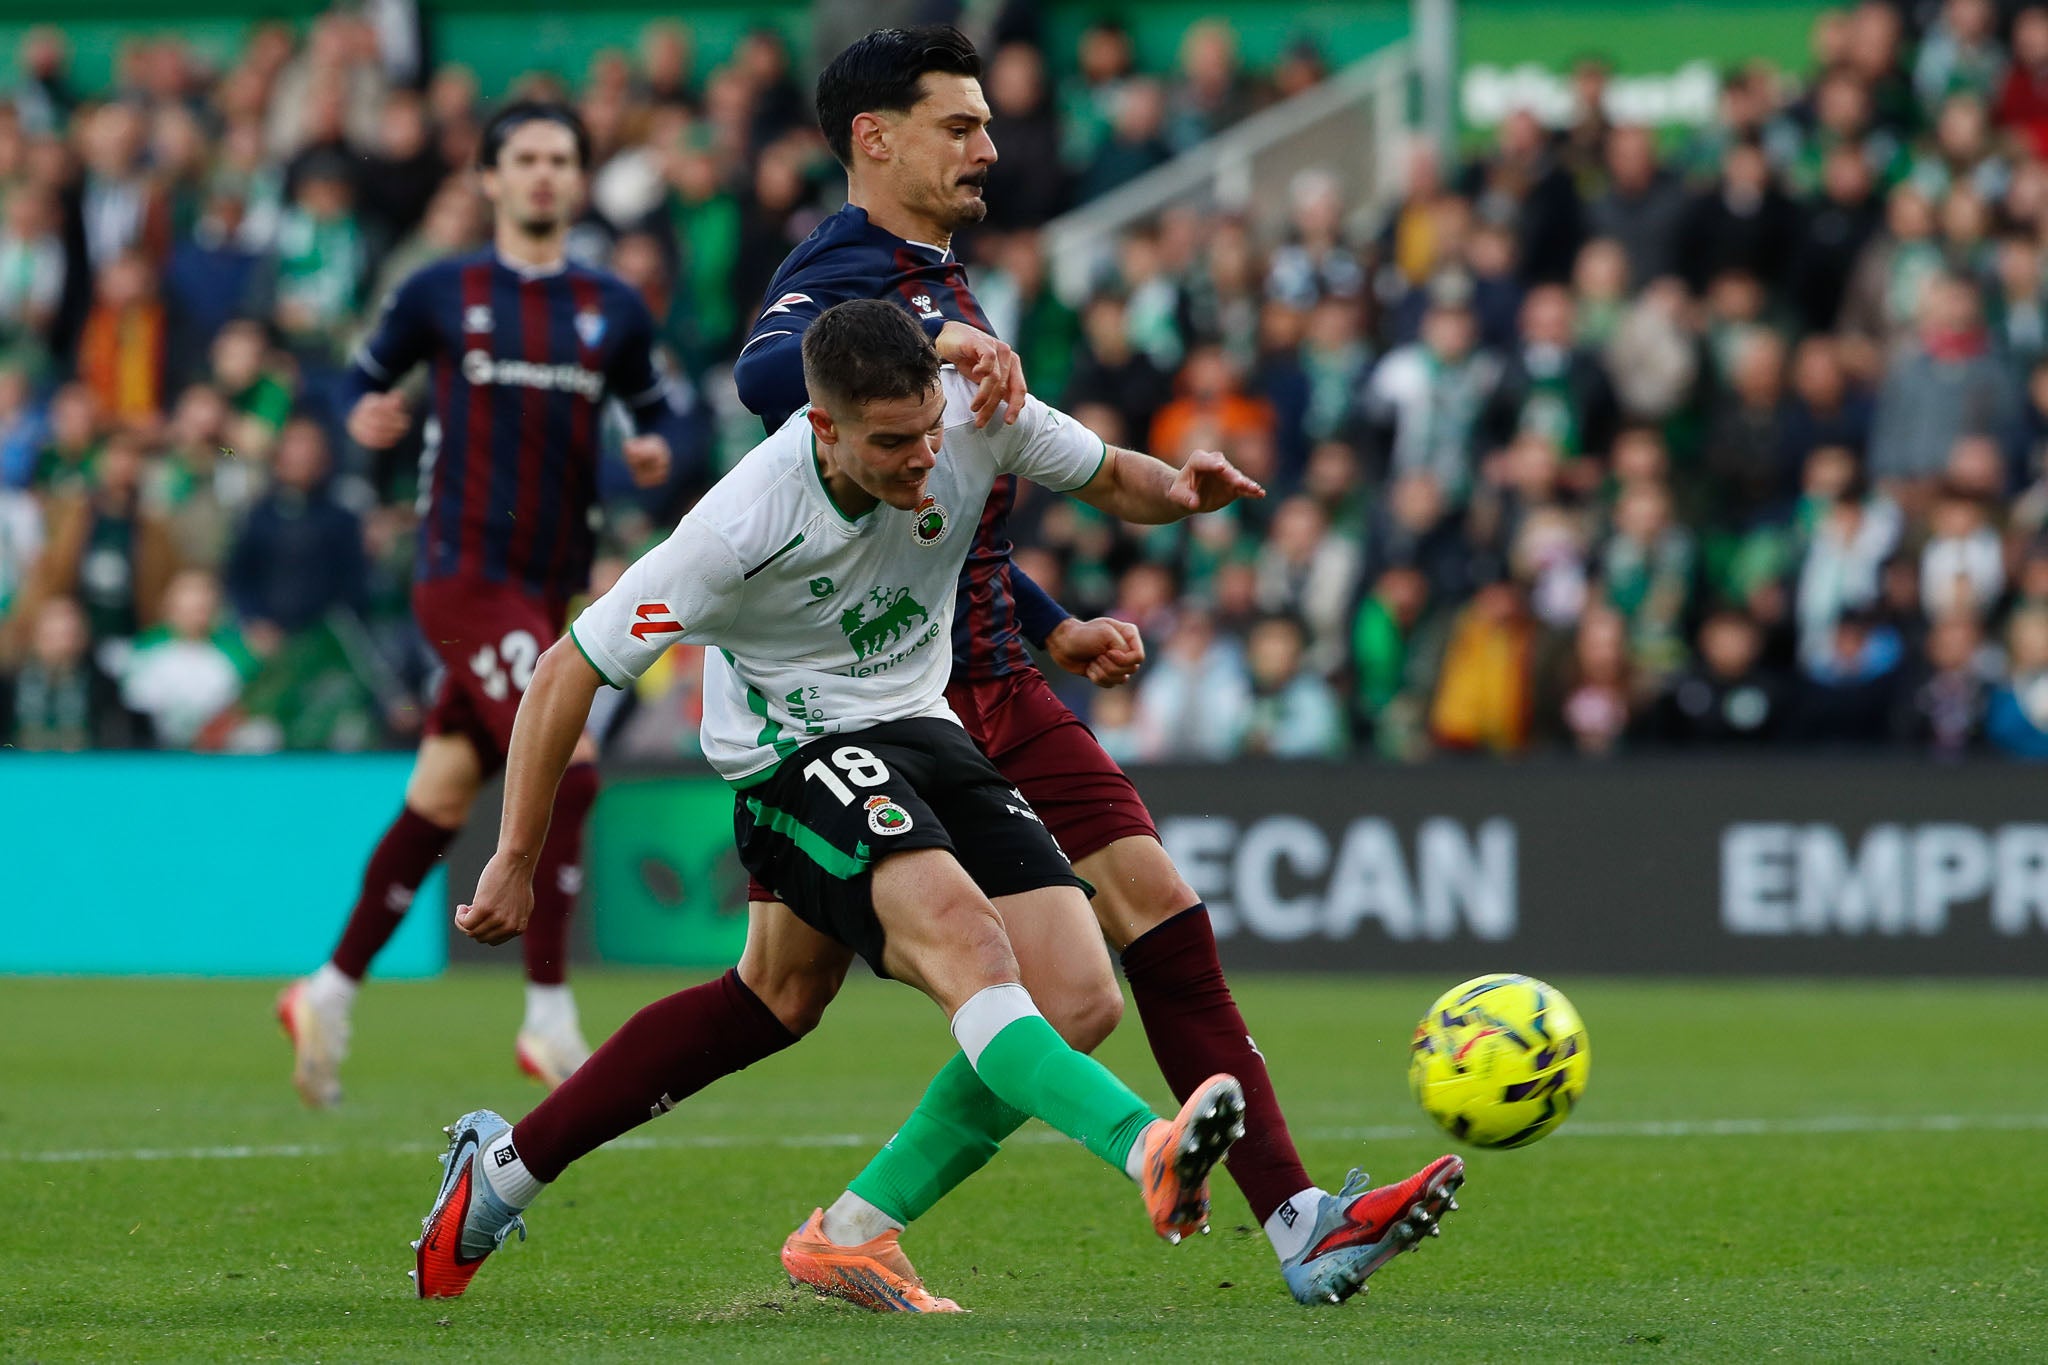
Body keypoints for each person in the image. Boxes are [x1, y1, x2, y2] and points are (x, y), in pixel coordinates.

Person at [729, 26, 1462, 1311]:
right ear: (875, 138)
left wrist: (1065, 604)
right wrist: (927, 344)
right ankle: (532, 1162)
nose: (988, 146)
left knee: (1153, 922)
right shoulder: (851, 272)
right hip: (904, 699)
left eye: (985, 122)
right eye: (960, 124)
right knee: (788, 996)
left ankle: (1297, 1219)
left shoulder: (943, 279)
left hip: (1001, 671)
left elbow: (952, 507)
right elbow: (760, 378)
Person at [414, 301, 1292, 1301]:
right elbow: (566, 669)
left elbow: (1107, 475)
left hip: (924, 726)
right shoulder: (738, 525)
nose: (922, 459)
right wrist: (514, 856)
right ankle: (1147, 1151)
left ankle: (513, 1181)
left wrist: (1177, 492)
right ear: (822, 428)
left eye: (925, 432)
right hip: (793, 753)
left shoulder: (970, 409)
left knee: (1047, 993)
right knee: (968, 944)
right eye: (889, 443)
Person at [273, 102, 674, 1108]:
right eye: (525, 160)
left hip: (546, 590)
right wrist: (365, 410)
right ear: (489, 179)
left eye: (560, 160)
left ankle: (324, 990)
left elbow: (659, 408)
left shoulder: (609, 305)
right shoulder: (440, 292)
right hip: (460, 576)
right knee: (571, 777)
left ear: (578, 180)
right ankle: (546, 1013)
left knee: (442, 796)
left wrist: (655, 447)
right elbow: (351, 382)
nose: (542, 175)